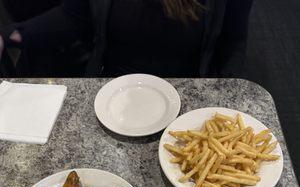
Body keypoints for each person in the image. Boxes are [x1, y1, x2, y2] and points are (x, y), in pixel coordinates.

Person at [0, 0, 253, 78]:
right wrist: (11, 35)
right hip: (110, 87)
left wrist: (223, 97)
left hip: (186, 90)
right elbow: (75, 16)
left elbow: (233, 42)